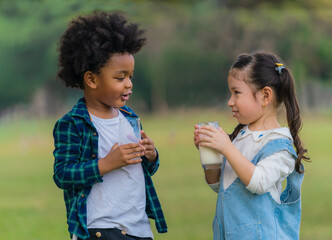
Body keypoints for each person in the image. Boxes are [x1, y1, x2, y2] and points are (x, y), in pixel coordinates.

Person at [53, 11, 167, 240]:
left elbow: (142, 170)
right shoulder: (72, 124)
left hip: (138, 228)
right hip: (99, 229)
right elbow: (63, 175)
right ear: (91, 80)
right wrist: (106, 163)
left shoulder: (130, 118)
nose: (129, 85)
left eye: (131, 76)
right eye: (120, 78)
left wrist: (151, 156)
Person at [194, 51, 309, 239]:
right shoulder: (240, 137)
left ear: (265, 96)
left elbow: (258, 182)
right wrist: (210, 155)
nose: (230, 102)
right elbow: (219, 186)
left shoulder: (279, 146)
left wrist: (227, 148)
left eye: (236, 93)